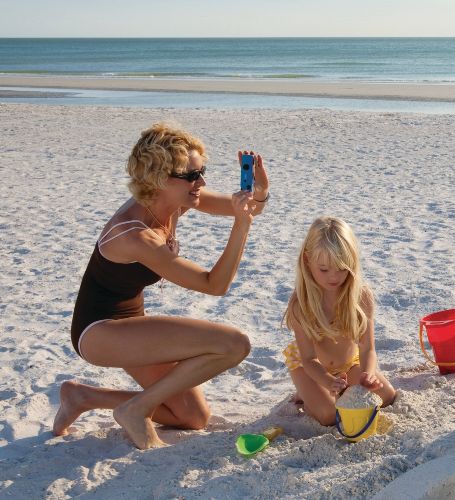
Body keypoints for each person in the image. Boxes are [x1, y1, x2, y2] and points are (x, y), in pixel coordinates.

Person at [53, 123, 270, 449]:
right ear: (158, 178)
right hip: (99, 333)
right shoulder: (136, 236)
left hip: (130, 323)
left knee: (193, 417)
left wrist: (260, 192)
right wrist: (241, 225)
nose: (202, 182)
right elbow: (215, 286)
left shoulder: (177, 200)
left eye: (202, 171)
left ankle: (82, 396)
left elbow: (244, 207)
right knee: (234, 344)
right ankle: (135, 410)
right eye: (191, 176)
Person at [282, 216, 396, 426]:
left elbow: (368, 349)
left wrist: (368, 375)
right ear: (308, 260)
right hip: (310, 368)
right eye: (324, 269)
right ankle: (306, 395)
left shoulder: (361, 296)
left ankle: (322, 393)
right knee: (328, 416)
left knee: (385, 397)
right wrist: (327, 381)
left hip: (348, 363)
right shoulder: (302, 303)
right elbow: (308, 359)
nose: (333, 277)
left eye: (342, 268)